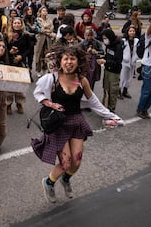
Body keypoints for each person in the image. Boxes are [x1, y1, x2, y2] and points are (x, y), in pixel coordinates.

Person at [32, 45, 123, 203]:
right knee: (65, 163)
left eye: (72, 58)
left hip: (76, 122)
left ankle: (65, 180)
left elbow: (94, 103)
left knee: (77, 161)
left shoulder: (82, 81)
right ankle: (48, 183)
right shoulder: (51, 78)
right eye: (65, 58)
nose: (69, 62)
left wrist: (113, 116)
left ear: (78, 61)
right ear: (60, 61)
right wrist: (51, 104)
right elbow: (38, 93)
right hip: (58, 124)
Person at [4, 17, 30, 114]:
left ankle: (19, 103)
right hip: (10, 62)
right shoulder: (7, 36)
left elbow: (29, 49)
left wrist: (21, 56)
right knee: (10, 85)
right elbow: (4, 48)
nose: (17, 25)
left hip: (20, 62)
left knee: (20, 85)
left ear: (22, 24)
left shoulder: (25, 35)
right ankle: (8, 104)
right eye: (15, 23)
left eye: (19, 23)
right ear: (12, 24)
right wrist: (10, 52)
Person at [101, 29, 123, 112]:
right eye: (103, 38)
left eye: (105, 38)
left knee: (113, 92)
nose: (104, 40)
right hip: (107, 70)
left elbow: (118, 62)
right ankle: (104, 106)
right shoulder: (109, 45)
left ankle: (111, 109)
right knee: (106, 89)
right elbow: (108, 55)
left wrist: (106, 61)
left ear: (110, 37)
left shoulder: (118, 46)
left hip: (114, 72)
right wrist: (103, 57)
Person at [119, 25, 139, 99]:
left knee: (129, 77)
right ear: (127, 32)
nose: (132, 32)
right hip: (124, 62)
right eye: (130, 31)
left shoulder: (136, 41)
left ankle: (125, 90)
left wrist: (136, 58)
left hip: (132, 62)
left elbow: (138, 51)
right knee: (122, 77)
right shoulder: (123, 41)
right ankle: (119, 91)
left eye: (133, 31)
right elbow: (120, 51)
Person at [35, 6, 55, 77]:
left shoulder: (49, 20)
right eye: (43, 11)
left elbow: (52, 28)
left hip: (48, 39)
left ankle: (45, 68)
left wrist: (46, 30)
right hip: (40, 39)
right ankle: (38, 70)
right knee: (39, 54)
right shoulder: (37, 20)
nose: (45, 12)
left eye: (46, 11)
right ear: (40, 12)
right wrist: (46, 30)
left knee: (47, 54)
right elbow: (41, 29)